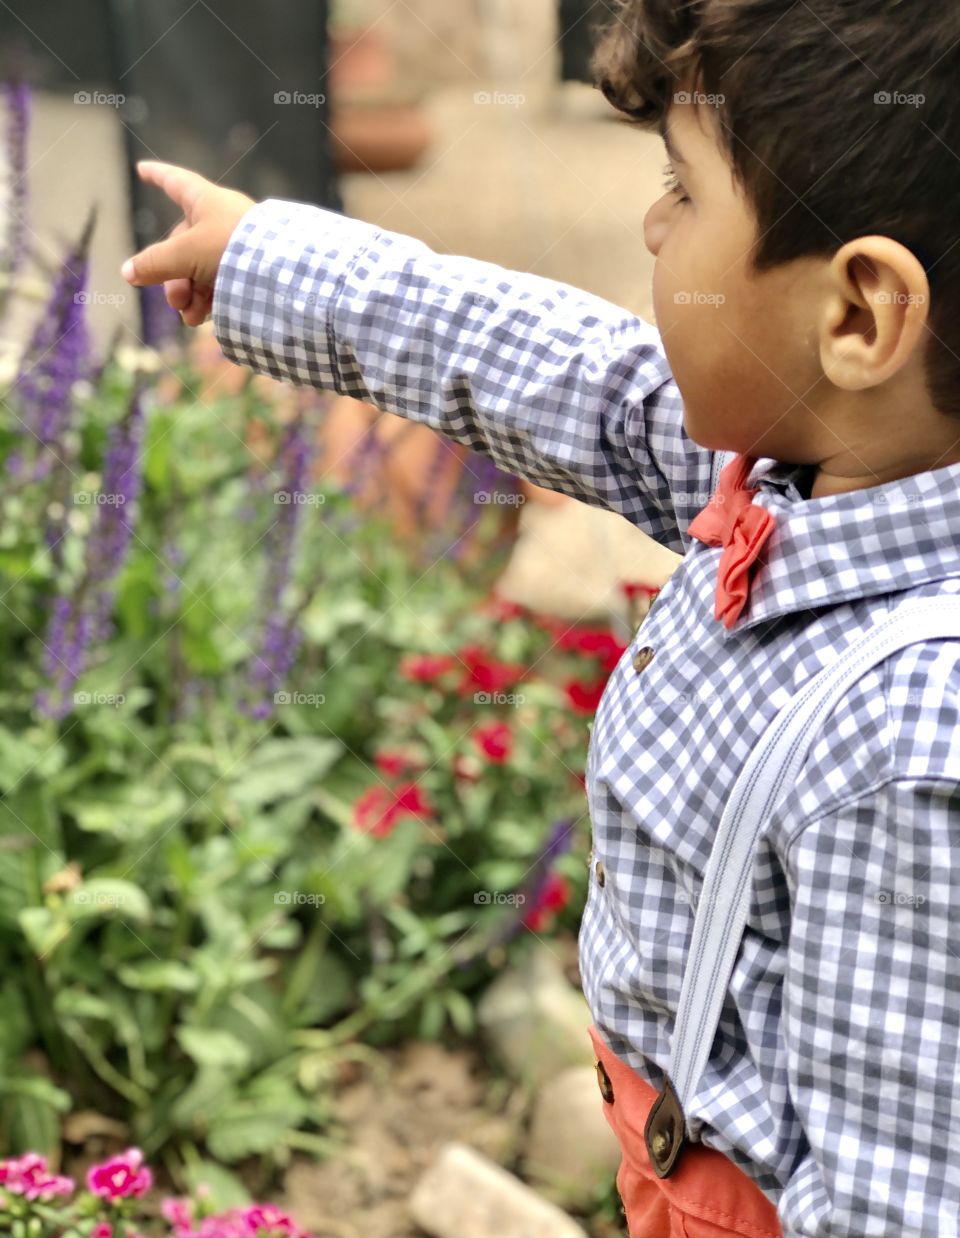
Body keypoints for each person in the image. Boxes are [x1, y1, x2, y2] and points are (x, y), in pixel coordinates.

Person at [119, 2, 960, 1234]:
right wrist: (268, 261)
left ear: (857, 316)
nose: (650, 222)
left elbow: (900, 1187)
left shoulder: (911, 736)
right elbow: (564, 369)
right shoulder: (813, 467)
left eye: (684, 189)